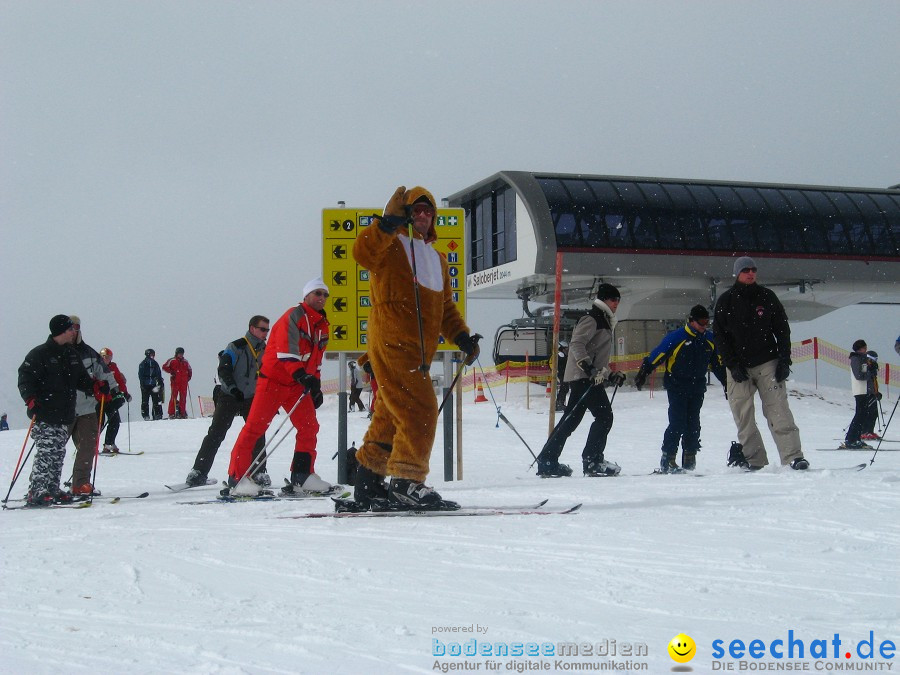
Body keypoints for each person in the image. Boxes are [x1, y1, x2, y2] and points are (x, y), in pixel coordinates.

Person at [349, 186, 479, 511]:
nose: (422, 216)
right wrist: (387, 223)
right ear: (407, 214)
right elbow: (362, 253)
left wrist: (462, 338)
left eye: (428, 211)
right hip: (392, 342)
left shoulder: (437, 259)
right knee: (420, 411)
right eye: (416, 210)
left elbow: (446, 308)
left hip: (419, 353)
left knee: (391, 417)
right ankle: (407, 482)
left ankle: (367, 483)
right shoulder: (391, 245)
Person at [225, 280, 331, 496]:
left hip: (296, 385)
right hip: (273, 381)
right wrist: (302, 375)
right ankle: (238, 478)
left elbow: (316, 359)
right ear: (306, 295)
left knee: (309, 426)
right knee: (255, 427)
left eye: (325, 294)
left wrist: (315, 384)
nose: (321, 297)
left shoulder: (322, 325)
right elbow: (286, 351)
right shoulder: (292, 317)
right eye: (317, 293)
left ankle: (303, 475)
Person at [714, 257, 808, 470]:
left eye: (753, 269)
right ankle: (754, 460)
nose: (750, 273)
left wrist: (784, 360)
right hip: (738, 366)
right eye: (746, 270)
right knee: (743, 416)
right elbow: (720, 337)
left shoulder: (767, 297)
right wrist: (732, 365)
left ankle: (793, 456)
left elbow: (782, 330)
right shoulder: (726, 301)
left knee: (779, 411)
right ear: (737, 273)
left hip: (768, 362)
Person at [534, 284, 626, 478]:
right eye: (613, 300)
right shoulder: (592, 318)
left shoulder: (604, 320)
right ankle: (592, 460)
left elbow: (596, 356)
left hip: (585, 378)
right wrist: (588, 369)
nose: (616, 304)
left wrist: (610, 374)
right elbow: (576, 344)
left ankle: (548, 461)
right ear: (604, 300)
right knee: (604, 417)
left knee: (570, 420)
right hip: (584, 379)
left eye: (618, 300)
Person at [634, 305, 727, 472]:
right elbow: (659, 354)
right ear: (691, 321)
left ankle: (689, 457)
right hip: (677, 386)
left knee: (693, 424)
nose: (704, 326)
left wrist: (727, 383)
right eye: (701, 322)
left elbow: (717, 364)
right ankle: (668, 458)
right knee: (677, 423)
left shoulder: (709, 339)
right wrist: (644, 370)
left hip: (697, 386)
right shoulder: (678, 337)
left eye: (707, 322)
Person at [184, 316, 270, 487]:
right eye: (262, 329)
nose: (265, 333)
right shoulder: (236, 346)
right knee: (216, 433)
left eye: (267, 330)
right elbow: (224, 369)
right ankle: (198, 472)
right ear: (252, 328)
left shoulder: (264, 349)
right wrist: (232, 388)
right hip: (230, 396)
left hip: (251, 397)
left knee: (257, 434)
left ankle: (259, 472)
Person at [17, 315, 95, 505]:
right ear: (61, 331)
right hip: (45, 412)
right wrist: (31, 400)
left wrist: (96, 386)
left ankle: (51, 488)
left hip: (64, 413)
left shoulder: (70, 354)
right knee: (46, 452)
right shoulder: (40, 354)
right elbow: (25, 378)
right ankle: (37, 490)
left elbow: (81, 379)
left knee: (58, 452)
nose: (73, 332)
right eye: (70, 329)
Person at [69, 316, 123, 496]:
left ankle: (81, 483)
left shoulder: (88, 352)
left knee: (88, 446)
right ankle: (44, 484)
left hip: (86, 407)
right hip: (61, 408)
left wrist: (115, 392)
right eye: (69, 327)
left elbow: (105, 373)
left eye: (75, 327)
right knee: (54, 448)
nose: (72, 331)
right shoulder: (54, 352)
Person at [842, 340, 878, 448]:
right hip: (860, 390)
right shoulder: (856, 359)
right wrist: (869, 372)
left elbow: (865, 373)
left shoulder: (862, 359)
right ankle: (851, 438)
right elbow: (859, 375)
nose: (866, 350)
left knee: (862, 415)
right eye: (864, 348)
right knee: (860, 415)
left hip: (865, 390)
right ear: (860, 348)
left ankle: (855, 438)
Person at [98, 347, 132, 453]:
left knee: (115, 421)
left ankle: (109, 443)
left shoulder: (113, 367)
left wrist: (125, 393)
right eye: (105, 357)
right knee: (98, 423)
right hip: (98, 400)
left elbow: (119, 381)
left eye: (109, 357)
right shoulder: (97, 366)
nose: (107, 359)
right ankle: (90, 445)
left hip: (110, 399)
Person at [163, 347, 192, 418]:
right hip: (175, 381)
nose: (181, 355)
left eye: (182, 353)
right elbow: (164, 367)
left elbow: (190, 370)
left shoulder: (185, 361)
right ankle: (171, 413)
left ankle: (182, 412)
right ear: (176, 353)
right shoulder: (172, 360)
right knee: (174, 397)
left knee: (183, 397)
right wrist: (172, 372)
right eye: (179, 353)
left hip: (184, 382)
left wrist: (188, 377)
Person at [860, 351, 883, 441]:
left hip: (872, 393)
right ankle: (864, 432)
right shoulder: (864, 365)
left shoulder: (873, 367)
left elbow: (873, 381)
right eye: (873, 360)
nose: (874, 362)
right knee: (868, 413)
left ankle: (870, 431)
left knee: (874, 413)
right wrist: (871, 392)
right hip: (866, 393)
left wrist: (876, 392)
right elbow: (864, 378)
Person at [138, 349, 164, 420]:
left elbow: (158, 373)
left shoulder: (155, 363)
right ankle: (145, 415)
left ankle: (157, 414)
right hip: (145, 385)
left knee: (156, 400)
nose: (153, 356)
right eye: (152, 354)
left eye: (153, 354)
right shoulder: (143, 363)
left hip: (153, 384)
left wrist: (160, 381)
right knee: (145, 400)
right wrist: (142, 384)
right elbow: (141, 375)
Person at [555, 341, 570, 412]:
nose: (567, 350)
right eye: (565, 348)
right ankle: (559, 404)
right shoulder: (561, 355)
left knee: (564, 388)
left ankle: (559, 404)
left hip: (564, 374)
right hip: (562, 374)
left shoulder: (563, 355)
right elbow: (562, 366)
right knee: (564, 388)